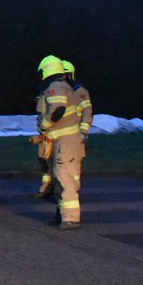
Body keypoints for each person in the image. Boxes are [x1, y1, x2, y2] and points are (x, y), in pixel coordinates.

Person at [37, 55, 83, 230]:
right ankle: (61, 212)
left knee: (64, 179)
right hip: (65, 141)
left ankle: (70, 217)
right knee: (60, 178)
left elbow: (58, 109)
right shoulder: (64, 86)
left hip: (65, 142)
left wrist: (44, 124)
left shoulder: (55, 87)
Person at [66, 59, 93, 195]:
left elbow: (87, 112)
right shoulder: (60, 91)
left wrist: (83, 131)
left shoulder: (80, 91)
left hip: (75, 134)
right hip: (61, 135)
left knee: (74, 165)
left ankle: (73, 190)